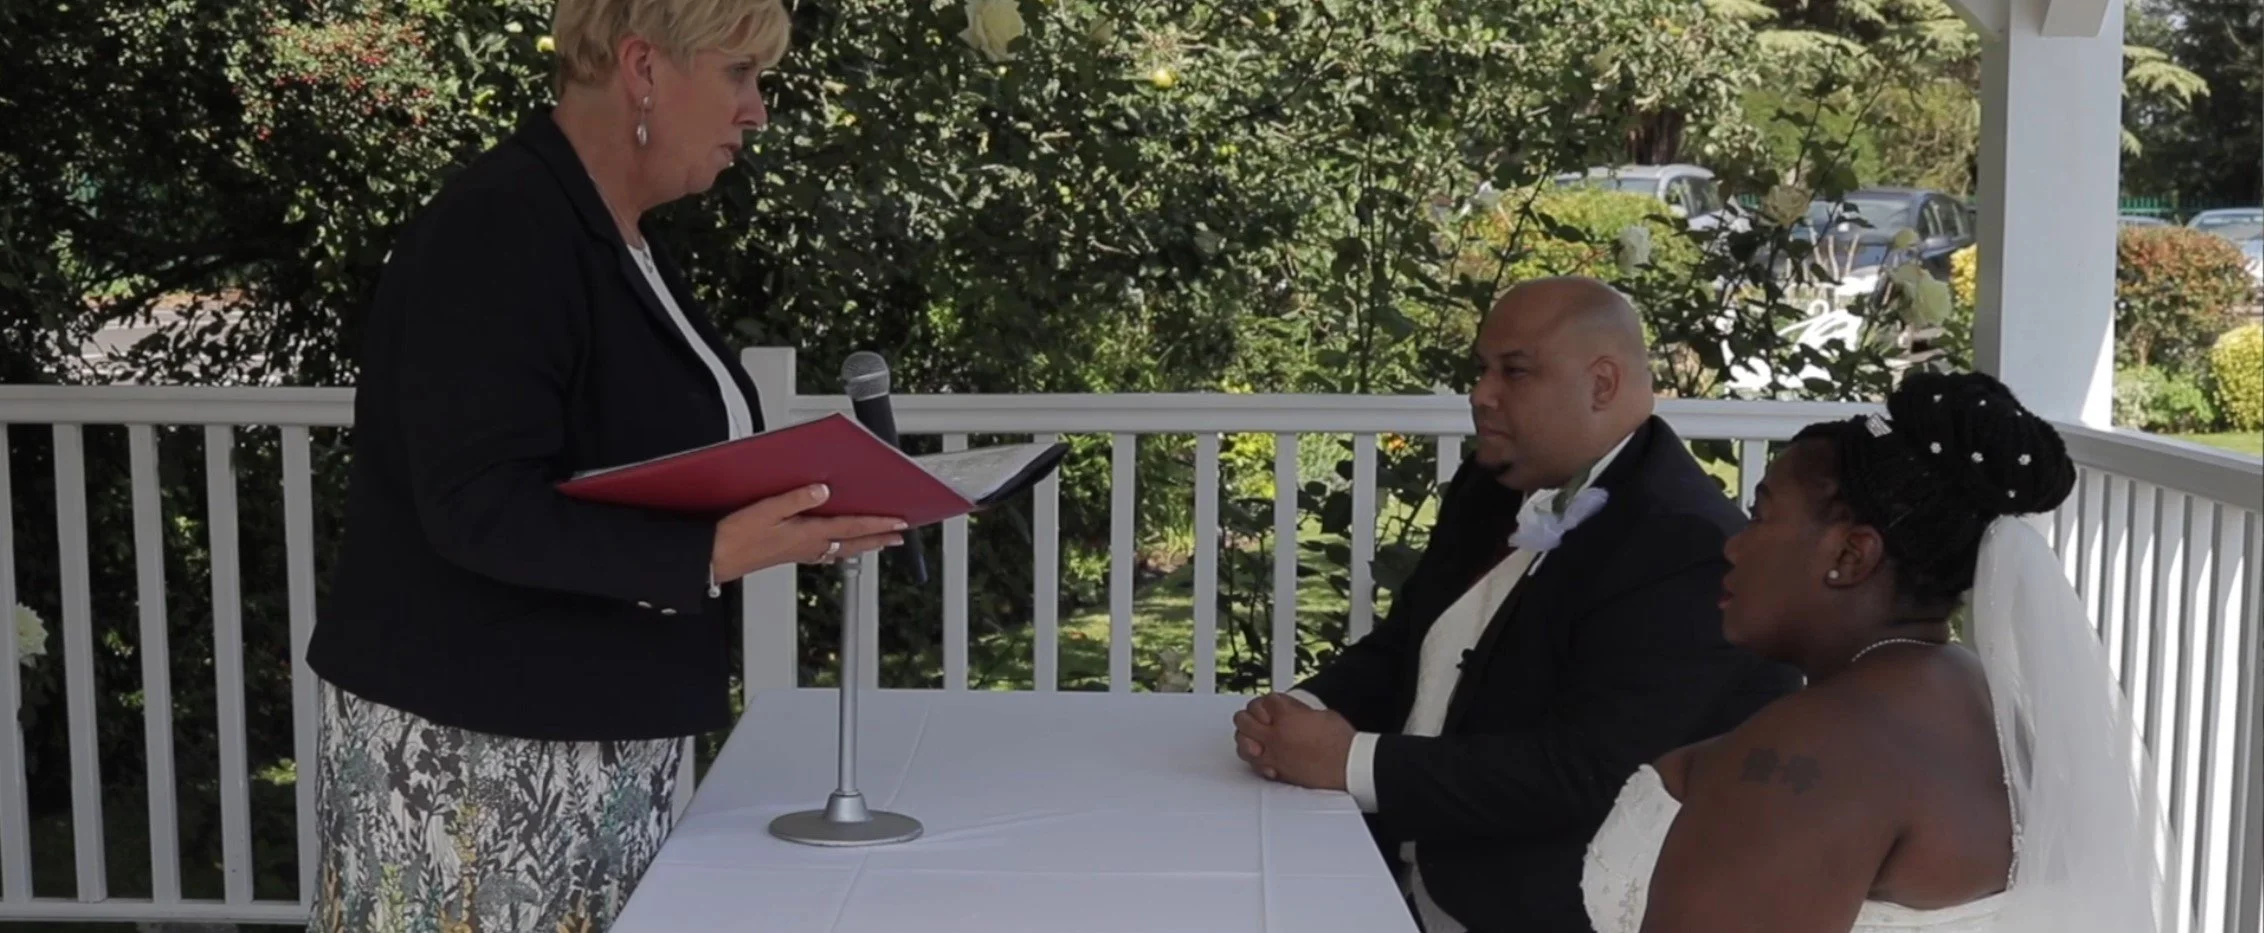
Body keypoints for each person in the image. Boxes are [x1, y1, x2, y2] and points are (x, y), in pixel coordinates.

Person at [302, 0, 906, 929]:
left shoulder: (613, 234)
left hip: (594, 739)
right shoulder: (501, 227)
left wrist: (790, 511)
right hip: (483, 758)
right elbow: (476, 503)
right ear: (644, 67)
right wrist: (709, 554)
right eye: (741, 75)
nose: (759, 111)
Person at [1232, 276, 1801, 933]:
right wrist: (1292, 713)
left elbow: (1587, 773)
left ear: (1603, 384)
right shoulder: (1492, 482)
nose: (1480, 394)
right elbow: (1406, 646)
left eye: (1515, 371)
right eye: (1481, 368)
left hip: (1538, 906)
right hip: (1397, 868)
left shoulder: (1685, 545)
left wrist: (1348, 761)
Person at [1581, 372, 2162, 933]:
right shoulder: (1971, 688)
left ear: (1852, 556)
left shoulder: (1818, 745)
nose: (1734, 545)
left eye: (1759, 517)